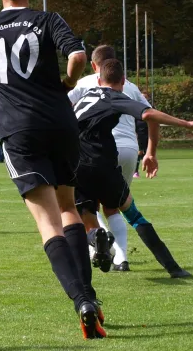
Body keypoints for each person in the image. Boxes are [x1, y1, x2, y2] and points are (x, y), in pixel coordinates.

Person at [0, 0, 105, 339]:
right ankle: (91, 296)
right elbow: (76, 57)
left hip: (18, 131)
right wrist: (65, 82)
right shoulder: (48, 19)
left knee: (47, 222)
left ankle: (81, 301)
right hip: (60, 124)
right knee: (69, 208)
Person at [73, 58, 193, 278]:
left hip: (76, 165)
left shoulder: (84, 96)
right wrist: (187, 124)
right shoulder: (115, 97)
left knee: (86, 215)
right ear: (123, 81)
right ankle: (172, 267)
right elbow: (148, 115)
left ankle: (99, 237)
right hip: (102, 165)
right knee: (132, 214)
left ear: (99, 80)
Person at [68, 45, 152, 272]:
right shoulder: (130, 85)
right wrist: (149, 150)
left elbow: (64, 104)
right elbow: (148, 116)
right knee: (114, 206)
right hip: (129, 150)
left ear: (95, 66)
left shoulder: (87, 82)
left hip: (99, 150)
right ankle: (121, 258)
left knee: (89, 205)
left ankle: (98, 244)